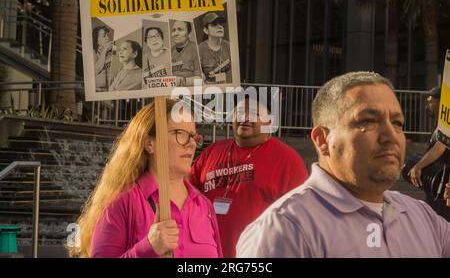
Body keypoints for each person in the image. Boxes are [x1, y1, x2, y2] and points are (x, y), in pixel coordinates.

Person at [237, 71, 450, 258]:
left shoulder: (424, 218)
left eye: (397, 123)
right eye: (368, 121)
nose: (390, 136)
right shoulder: (285, 229)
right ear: (322, 139)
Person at [69, 100, 222, 258]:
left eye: (193, 136)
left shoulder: (205, 207)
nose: (191, 144)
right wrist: (148, 248)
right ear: (150, 144)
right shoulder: (123, 203)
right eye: (180, 134)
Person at [191, 95, 308, 257]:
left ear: (269, 122)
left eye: (254, 113)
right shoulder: (213, 151)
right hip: (207, 252)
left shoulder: (288, 160)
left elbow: (301, 217)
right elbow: (188, 189)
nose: (245, 118)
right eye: (239, 112)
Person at [408, 86, 450, 221]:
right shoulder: (440, 125)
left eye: (430, 102)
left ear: (441, 102)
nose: (426, 106)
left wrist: (419, 166)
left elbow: (440, 147)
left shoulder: (447, 125)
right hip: (436, 184)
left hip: (444, 186)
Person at [198, 12, 231, 84]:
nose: (220, 27)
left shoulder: (229, 46)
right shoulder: (200, 49)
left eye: (221, 24)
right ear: (206, 30)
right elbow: (198, 76)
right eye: (214, 25)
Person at [171, 20, 203, 86]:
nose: (176, 33)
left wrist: (181, 81)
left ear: (189, 33)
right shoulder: (170, 51)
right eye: (173, 30)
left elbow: (201, 80)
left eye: (180, 29)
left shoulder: (196, 49)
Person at [93, 26, 113, 91]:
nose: (107, 38)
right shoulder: (93, 52)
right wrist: (105, 50)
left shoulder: (110, 53)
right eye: (104, 36)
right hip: (98, 90)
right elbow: (96, 70)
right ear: (96, 39)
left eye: (107, 36)